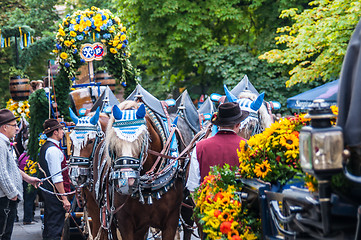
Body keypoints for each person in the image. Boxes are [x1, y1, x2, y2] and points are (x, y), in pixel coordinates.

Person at [186, 102, 249, 192]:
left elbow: (192, 187)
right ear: (238, 124)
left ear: (218, 124)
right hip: (240, 204)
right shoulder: (248, 147)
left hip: (207, 203)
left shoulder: (200, 147)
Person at [0, 109, 41, 240]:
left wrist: (29, 179)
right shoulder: (1, 144)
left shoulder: (4, 143)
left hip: (7, 198)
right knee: (4, 234)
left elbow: (12, 167)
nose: (17, 129)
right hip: (5, 199)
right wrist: (12, 194)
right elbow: (1, 173)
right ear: (5, 127)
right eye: (14, 125)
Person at [38, 119, 71, 240]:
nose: (63, 132)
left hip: (49, 193)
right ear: (55, 132)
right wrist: (64, 198)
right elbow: (57, 177)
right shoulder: (53, 150)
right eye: (61, 129)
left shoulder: (46, 147)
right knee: (55, 228)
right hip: (55, 195)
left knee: (50, 225)